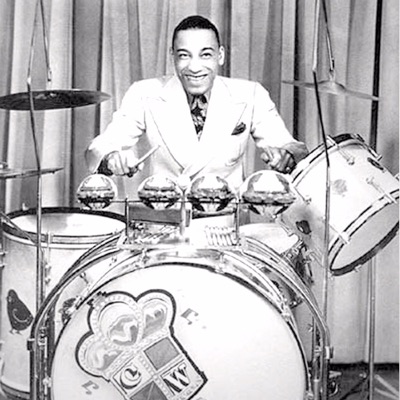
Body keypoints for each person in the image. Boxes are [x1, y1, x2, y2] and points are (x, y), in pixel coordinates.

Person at [85, 15, 308, 197]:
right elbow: (99, 147)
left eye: (205, 55)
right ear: (172, 56)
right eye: (184, 55)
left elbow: (292, 147)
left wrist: (285, 155)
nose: (194, 67)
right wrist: (112, 158)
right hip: (165, 219)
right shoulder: (144, 93)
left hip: (226, 224)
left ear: (220, 56)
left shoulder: (251, 94)